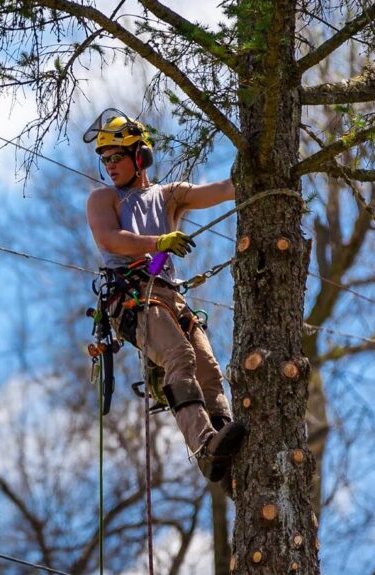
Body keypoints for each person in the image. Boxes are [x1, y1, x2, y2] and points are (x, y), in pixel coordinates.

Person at [83, 110, 246, 483]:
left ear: (140, 156)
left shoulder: (169, 195)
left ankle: (226, 443)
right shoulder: (103, 199)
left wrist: (252, 168)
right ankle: (205, 447)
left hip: (171, 295)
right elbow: (111, 240)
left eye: (116, 156)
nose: (109, 165)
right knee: (179, 355)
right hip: (133, 297)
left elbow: (222, 190)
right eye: (103, 159)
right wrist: (159, 242)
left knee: (208, 367)